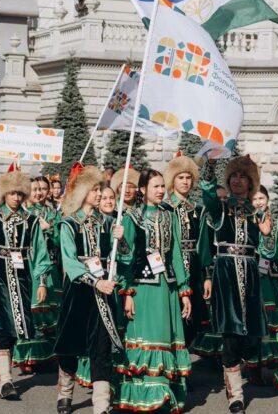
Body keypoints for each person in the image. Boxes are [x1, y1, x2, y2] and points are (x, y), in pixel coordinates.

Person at [199, 155, 274, 414]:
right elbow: (207, 190)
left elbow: (269, 252)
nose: (238, 180)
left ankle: (240, 370)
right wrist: (209, 165)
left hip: (251, 274)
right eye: (234, 176)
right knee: (231, 334)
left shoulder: (257, 213)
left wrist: (267, 235)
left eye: (243, 176)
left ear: (250, 182)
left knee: (252, 336)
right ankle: (235, 396)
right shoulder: (220, 207)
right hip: (226, 274)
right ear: (229, 180)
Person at [114, 169, 192, 413]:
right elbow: (125, 258)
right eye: (155, 186)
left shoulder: (170, 216)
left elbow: (177, 254)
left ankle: (164, 394)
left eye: (162, 187)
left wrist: (184, 289)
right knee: (145, 340)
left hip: (166, 289)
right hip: (142, 288)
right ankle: (144, 395)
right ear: (143, 189)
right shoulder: (132, 217)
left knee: (165, 339)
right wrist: (126, 293)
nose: (160, 191)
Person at [0, 169, 51, 400]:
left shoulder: (32, 221)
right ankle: (5, 380)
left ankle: (6, 373)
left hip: (24, 279)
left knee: (19, 328)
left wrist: (42, 282)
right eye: (12, 193)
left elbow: (40, 253)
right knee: (3, 326)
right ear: (4, 193)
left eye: (19, 193)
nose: (16, 198)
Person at [53, 165, 125, 414]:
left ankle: (101, 404)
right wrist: (95, 282)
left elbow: (122, 257)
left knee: (101, 347)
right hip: (79, 291)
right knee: (70, 345)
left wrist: (121, 238)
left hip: (103, 293)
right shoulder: (69, 225)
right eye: (94, 189)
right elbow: (70, 262)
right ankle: (65, 391)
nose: (98, 194)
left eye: (99, 189)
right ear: (82, 191)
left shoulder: (107, 222)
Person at [162, 155, 212, 348]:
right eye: (180, 177)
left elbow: (204, 245)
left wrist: (207, 275)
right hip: (170, 268)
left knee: (193, 319)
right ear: (172, 180)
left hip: (193, 268)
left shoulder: (198, 210)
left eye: (188, 177)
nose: (185, 181)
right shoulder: (165, 208)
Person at [245, 185, 278, 383]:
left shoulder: (277, 224)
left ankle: (274, 359)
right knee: (254, 321)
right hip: (250, 278)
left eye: (261, 198)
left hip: (270, 279)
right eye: (254, 199)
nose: (258, 202)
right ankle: (254, 366)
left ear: (267, 199)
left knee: (272, 319)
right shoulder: (246, 222)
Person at [15, 176, 61, 374]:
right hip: (28, 267)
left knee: (50, 311)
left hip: (51, 267)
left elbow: (62, 239)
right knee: (29, 310)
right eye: (34, 189)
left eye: (43, 189)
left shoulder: (53, 213)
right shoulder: (22, 214)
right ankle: (27, 356)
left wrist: (49, 229)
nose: (38, 192)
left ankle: (48, 355)